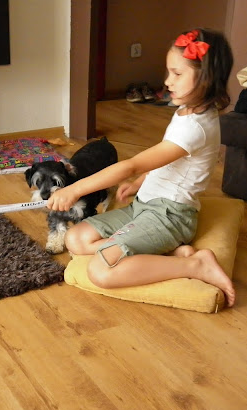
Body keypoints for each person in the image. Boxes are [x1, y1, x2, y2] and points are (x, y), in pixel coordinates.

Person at [47, 28, 236, 307]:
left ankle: (195, 266)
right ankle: (163, 255)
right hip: (144, 206)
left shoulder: (196, 127)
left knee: (101, 271)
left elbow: (131, 165)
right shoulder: (185, 112)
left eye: (177, 73)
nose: (167, 81)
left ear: (207, 79)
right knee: (76, 238)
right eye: (169, 72)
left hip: (169, 217)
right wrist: (141, 182)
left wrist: (75, 189)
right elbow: (167, 159)